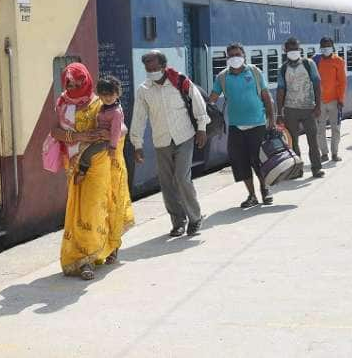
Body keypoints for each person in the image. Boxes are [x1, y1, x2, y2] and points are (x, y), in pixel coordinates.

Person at [50, 64, 134, 279]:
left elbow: (121, 126)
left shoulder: (99, 101)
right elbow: (54, 131)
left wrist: (106, 137)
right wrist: (78, 137)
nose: (74, 85)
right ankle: (85, 253)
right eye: (69, 82)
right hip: (74, 163)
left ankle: (89, 258)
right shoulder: (62, 102)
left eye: (78, 81)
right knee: (78, 210)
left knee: (94, 207)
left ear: (86, 80)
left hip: (100, 162)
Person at [130, 51, 208, 236]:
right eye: (148, 68)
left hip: (184, 136)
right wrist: (137, 144)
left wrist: (202, 127)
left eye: (154, 67)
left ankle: (195, 218)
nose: (151, 70)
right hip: (161, 140)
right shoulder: (143, 90)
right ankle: (178, 221)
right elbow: (139, 118)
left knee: (181, 178)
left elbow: (197, 102)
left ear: (163, 66)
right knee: (166, 184)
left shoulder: (179, 81)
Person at [208, 42, 275, 208]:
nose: (234, 58)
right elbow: (213, 98)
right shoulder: (222, 77)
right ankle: (251, 195)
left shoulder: (254, 72)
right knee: (241, 162)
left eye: (237, 55)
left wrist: (272, 120)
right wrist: (207, 110)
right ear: (227, 58)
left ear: (244, 55)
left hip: (258, 124)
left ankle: (265, 189)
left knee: (259, 161)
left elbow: (266, 97)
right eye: (231, 56)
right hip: (236, 126)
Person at [276, 37, 324, 178]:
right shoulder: (283, 68)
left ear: (300, 49)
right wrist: (279, 113)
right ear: (285, 50)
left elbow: (317, 85)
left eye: (295, 48)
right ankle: (297, 170)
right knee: (293, 142)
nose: (293, 51)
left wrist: (318, 106)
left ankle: (316, 168)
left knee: (312, 140)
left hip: (309, 108)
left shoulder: (309, 64)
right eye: (290, 49)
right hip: (290, 109)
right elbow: (280, 91)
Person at [74, 76, 127, 185]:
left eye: (111, 94)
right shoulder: (105, 107)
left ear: (117, 94)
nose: (108, 98)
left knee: (87, 153)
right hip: (100, 137)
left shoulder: (116, 112)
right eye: (104, 95)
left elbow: (117, 130)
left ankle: (82, 172)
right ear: (99, 95)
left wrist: (112, 147)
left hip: (106, 143)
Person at [314, 37, 346, 162]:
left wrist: (341, 99)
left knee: (335, 128)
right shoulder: (316, 60)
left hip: (334, 100)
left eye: (327, 46)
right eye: (323, 46)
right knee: (319, 129)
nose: (325, 48)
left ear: (332, 46)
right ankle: (324, 153)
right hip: (320, 101)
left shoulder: (338, 61)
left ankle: (334, 153)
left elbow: (342, 82)